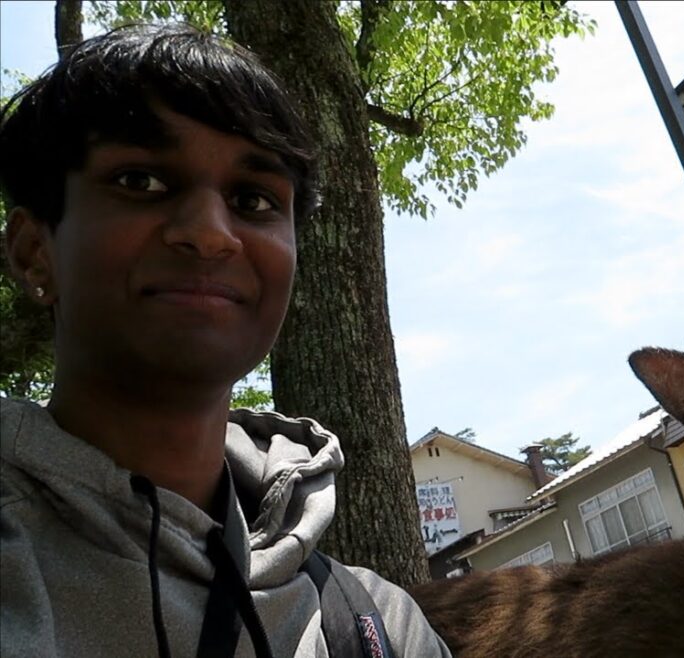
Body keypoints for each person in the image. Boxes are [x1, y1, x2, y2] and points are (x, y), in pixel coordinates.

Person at [0, 23, 451, 658]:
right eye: (141, 182)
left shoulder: (378, 626)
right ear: (32, 251)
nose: (211, 234)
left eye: (253, 198)